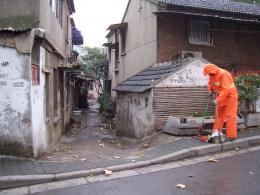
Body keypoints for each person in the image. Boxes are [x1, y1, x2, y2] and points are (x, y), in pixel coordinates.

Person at [203, 64, 238, 142]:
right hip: (221, 96)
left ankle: (231, 136)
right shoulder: (212, 76)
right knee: (219, 115)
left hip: (230, 97)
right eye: (208, 74)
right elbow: (210, 83)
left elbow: (226, 90)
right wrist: (210, 90)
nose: (209, 75)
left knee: (230, 116)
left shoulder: (223, 74)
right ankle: (216, 133)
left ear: (213, 71)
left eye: (210, 73)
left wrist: (218, 99)